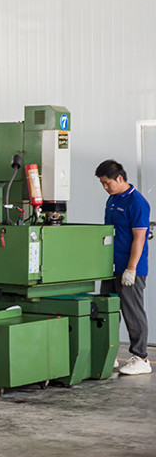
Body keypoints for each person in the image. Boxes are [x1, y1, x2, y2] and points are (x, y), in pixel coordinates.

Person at [95, 159, 151, 376]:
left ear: (119, 178)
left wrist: (131, 268)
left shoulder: (137, 202)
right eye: (102, 183)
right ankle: (109, 354)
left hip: (130, 268)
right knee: (107, 310)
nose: (105, 187)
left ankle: (141, 357)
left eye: (107, 183)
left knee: (132, 312)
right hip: (110, 266)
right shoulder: (112, 199)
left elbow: (139, 238)